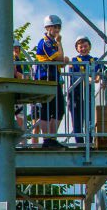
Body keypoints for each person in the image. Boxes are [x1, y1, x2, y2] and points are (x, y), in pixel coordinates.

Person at [34, 15, 70, 148]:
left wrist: (62, 58)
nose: (57, 29)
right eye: (54, 27)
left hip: (54, 76)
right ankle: (47, 139)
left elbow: (60, 62)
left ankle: (52, 138)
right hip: (46, 77)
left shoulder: (53, 42)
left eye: (58, 27)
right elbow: (59, 59)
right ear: (48, 27)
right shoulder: (46, 42)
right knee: (47, 109)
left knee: (59, 109)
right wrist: (60, 45)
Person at [68, 36, 107, 144]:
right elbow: (74, 76)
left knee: (90, 119)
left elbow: (105, 71)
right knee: (77, 120)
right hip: (76, 95)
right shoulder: (74, 61)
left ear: (89, 47)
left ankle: (89, 142)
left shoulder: (94, 60)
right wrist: (90, 78)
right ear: (77, 49)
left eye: (85, 46)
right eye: (81, 47)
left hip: (88, 95)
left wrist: (103, 78)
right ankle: (79, 143)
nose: (83, 49)